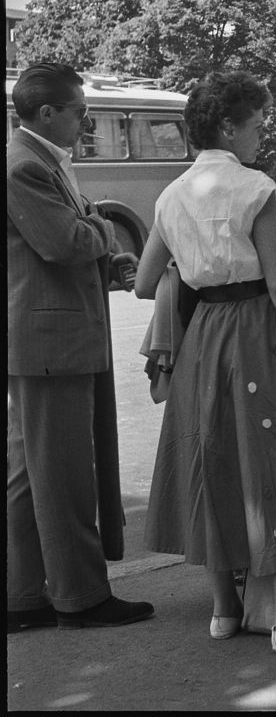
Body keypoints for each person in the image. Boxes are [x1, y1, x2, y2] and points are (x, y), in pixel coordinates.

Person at [135, 71, 276, 654]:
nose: (263, 135)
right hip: (257, 332)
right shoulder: (254, 188)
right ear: (229, 128)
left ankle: (224, 609)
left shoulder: (170, 194)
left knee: (216, 463)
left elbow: (142, 282)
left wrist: (196, 259)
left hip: (204, 339)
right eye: (257, 125)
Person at [7, 62, 154, 632]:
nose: (85, 120)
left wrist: (99, 246)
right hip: (51, 342)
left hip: (45, 338)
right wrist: (103, 234)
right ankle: (80, 596)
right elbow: (67, 241)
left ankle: (23, 597)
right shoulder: (26, 166)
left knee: (28, 475)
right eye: (79, 111)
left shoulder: (41, 161)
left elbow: (72, 239)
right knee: (66, 473)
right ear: (47, 113)